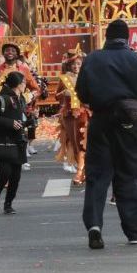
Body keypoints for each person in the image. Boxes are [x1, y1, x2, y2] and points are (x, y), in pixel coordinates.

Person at [77, 19, 137, 249]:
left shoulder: (92, 59)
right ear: (127, 37)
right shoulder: (136, 60)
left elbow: (82, 92)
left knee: (97, 175)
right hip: (129, 122)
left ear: (107, 37)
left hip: (101, 119)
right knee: (129, 173)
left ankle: (94, 225)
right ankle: (133, 231)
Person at [0, 43, 40, 176]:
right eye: (7, 50)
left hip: (19, 110)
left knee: (20, 137)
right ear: (3, 53)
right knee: (0, 139)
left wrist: (27, 97)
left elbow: (36, 89)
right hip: (2, 110)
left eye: (13, 50)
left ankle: (17, 162)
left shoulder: (24, 70)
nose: (9, 52)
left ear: (17, 53)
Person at [0, 71, 31, 215]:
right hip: (3, 142)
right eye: (24, 82)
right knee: (5, 172)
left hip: (18, 142)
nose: (25, 85)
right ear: (18, 84)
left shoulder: (21, 99)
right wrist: (10, 123)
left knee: (16, 176)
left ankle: (8, 204)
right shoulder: (2, 99)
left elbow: (21, 121)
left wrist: (30, 120)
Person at [55, 49, 89, 185]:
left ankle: (79, 172)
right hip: (68, 114)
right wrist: (64, 93)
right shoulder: (64, 78)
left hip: (83, 112)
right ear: (69, 65)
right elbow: (56, 96)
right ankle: (83, 171)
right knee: (74, 144)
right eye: (74, 64)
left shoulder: (86, 77)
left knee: (82, 142)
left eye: (79, 64)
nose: (76, 67)